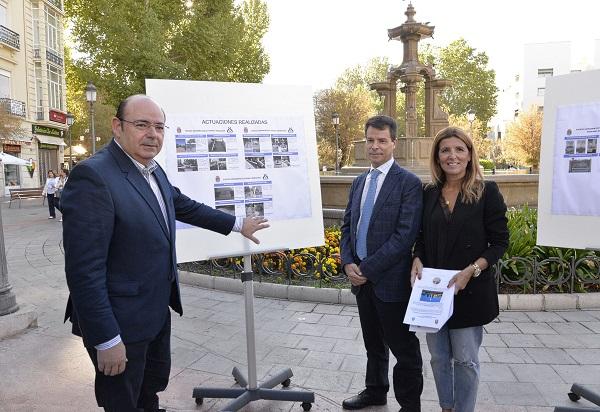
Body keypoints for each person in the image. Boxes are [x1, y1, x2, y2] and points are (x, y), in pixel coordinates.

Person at [61, 94, 269, 412]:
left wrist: (238, 224)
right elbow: (83, 271)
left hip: (154, 312)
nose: (152, 134)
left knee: (150, 391)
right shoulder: (93, 177)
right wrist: (106, 338)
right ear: (117, 126)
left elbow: (183, 205)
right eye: (141, 124)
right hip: (119, 322)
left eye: (159, 126)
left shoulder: (152, 169)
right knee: (123, 402)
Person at [411, 126, 509, 412]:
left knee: (466, 359)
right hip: (434, 290)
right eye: (445, 150)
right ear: (437, 157)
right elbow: (421, 236)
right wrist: (416, 257)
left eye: (459, 149)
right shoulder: (428, 192)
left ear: (469, 155)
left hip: (470, 288)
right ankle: (447, 407)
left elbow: (500, 242)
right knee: (439, 358)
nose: (451, 155)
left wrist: (472, 270)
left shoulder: (486, 191)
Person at [340, 115, 424, 412]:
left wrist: (367, 269)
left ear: (393, 143)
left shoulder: (409, 184)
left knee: (404, 349)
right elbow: (348, 225)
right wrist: (348, 261)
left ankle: (410, 405)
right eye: (370, 141)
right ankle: (375, 391)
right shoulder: (359, 181)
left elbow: (404, 236)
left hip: (391, 282)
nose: (375, 146)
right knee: (373, 345)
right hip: (362, 281)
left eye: (381, 141)